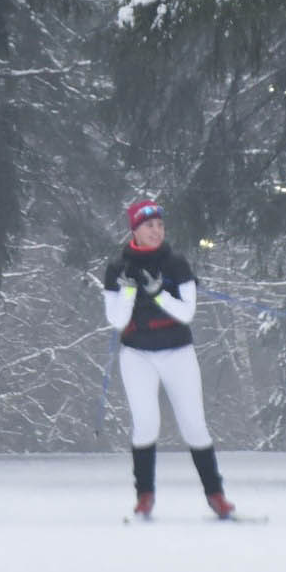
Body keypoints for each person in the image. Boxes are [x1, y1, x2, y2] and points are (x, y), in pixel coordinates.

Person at [101, 198, 234, 519]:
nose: (156, 231)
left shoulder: (176, 263)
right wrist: (130, 291)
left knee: (194, 426)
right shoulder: (117, 267)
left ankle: (215, 495)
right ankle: (144, 495)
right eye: (149, 226)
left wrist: (159, 291)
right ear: (135, 229)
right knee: (146, 425)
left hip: (177, 351)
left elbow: (186, 313)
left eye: (160, 225)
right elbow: (117, 321)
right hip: (137, 354)